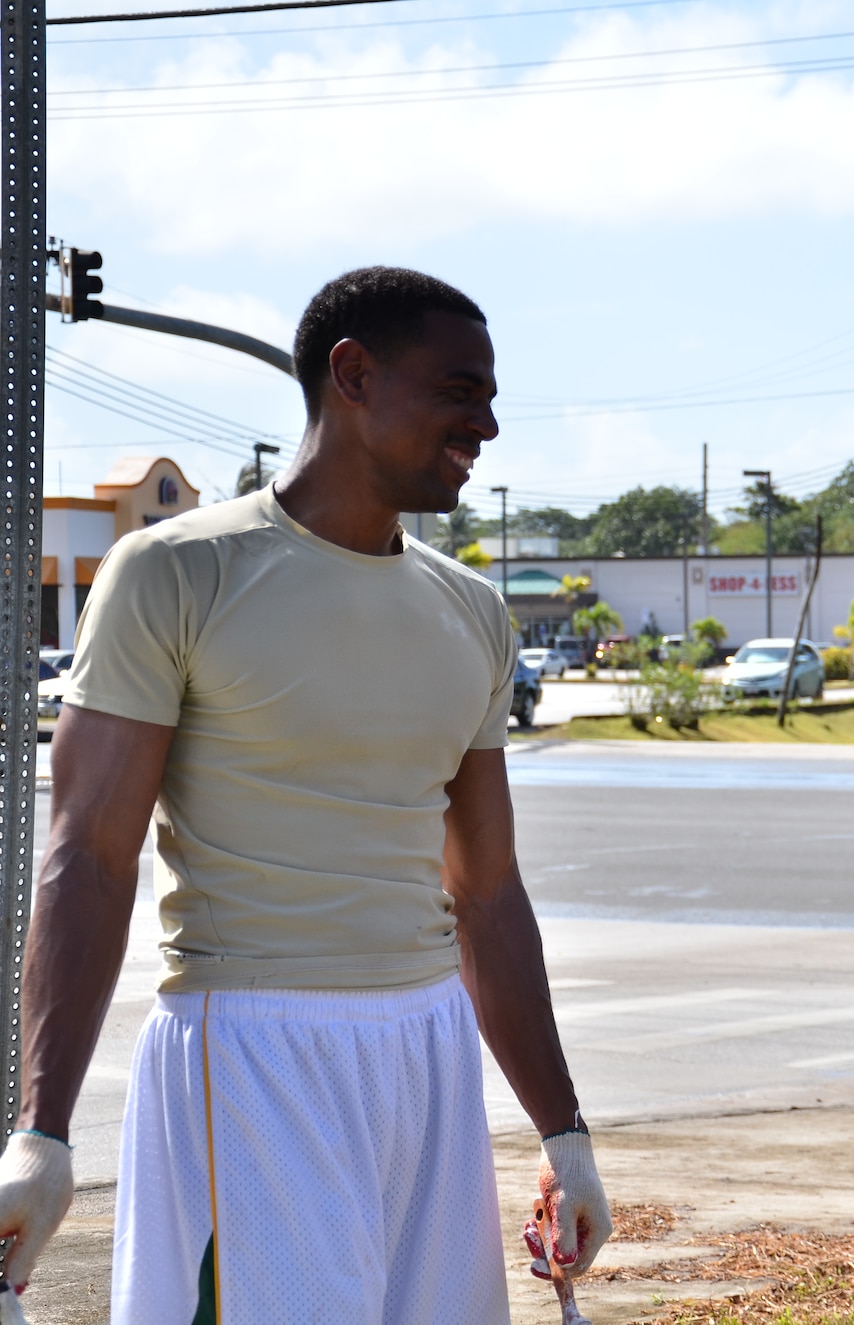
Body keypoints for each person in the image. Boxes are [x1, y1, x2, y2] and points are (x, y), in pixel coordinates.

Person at [0, 267, 612, 1321]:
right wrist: (41, 1131)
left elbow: (489, 893)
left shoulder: (470, 613)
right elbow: (89, 856)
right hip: (251, 1053)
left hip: (427, 1050)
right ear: (353, 374)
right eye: (461, 390)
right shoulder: (175, 573)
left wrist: (565, 1133)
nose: (490, 423)